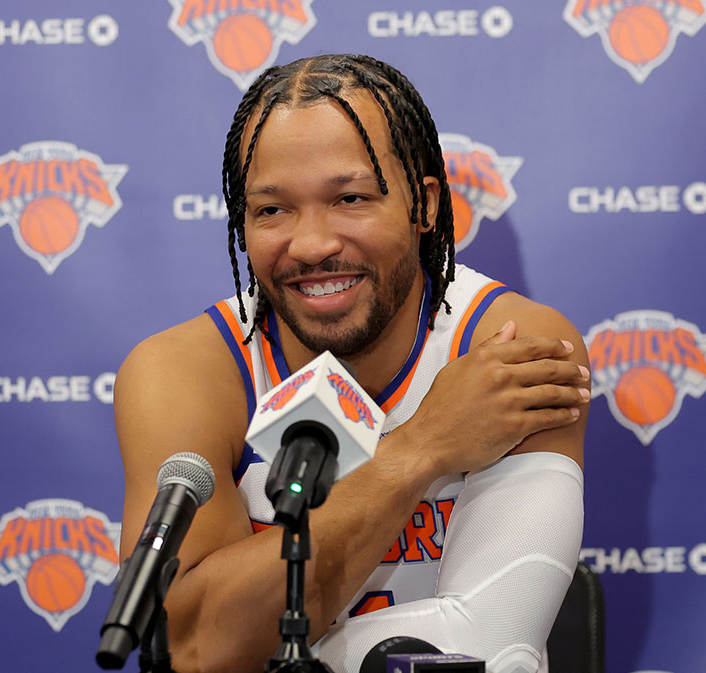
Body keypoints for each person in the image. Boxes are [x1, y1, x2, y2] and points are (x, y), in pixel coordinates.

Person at [114, 54, 589, 673]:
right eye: (271, 210)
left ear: (423, 205)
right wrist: (422, 447)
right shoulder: (187, 370)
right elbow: (194, 647)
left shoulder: (507, 343)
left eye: (351, 198)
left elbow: (490, 646)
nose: (312, 244)